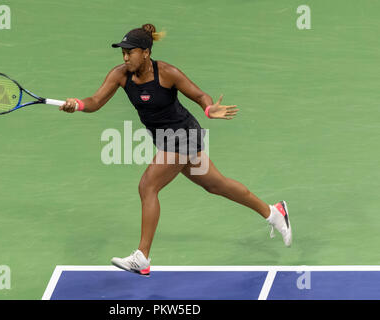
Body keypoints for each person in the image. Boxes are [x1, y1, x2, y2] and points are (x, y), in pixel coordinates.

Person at [60, 24, 292, 276]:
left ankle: (142, 257)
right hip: (166, 140)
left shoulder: (167, 73)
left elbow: (199, 94)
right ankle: (273, 212)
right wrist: (78, 104)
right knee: (216, 185)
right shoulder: (119, 75)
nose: (125, 57)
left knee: (147, 186)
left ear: (146, 53)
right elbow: (96, 101)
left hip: (184, 135)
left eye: (130, 52)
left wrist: (209, 108)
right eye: (123, 53)